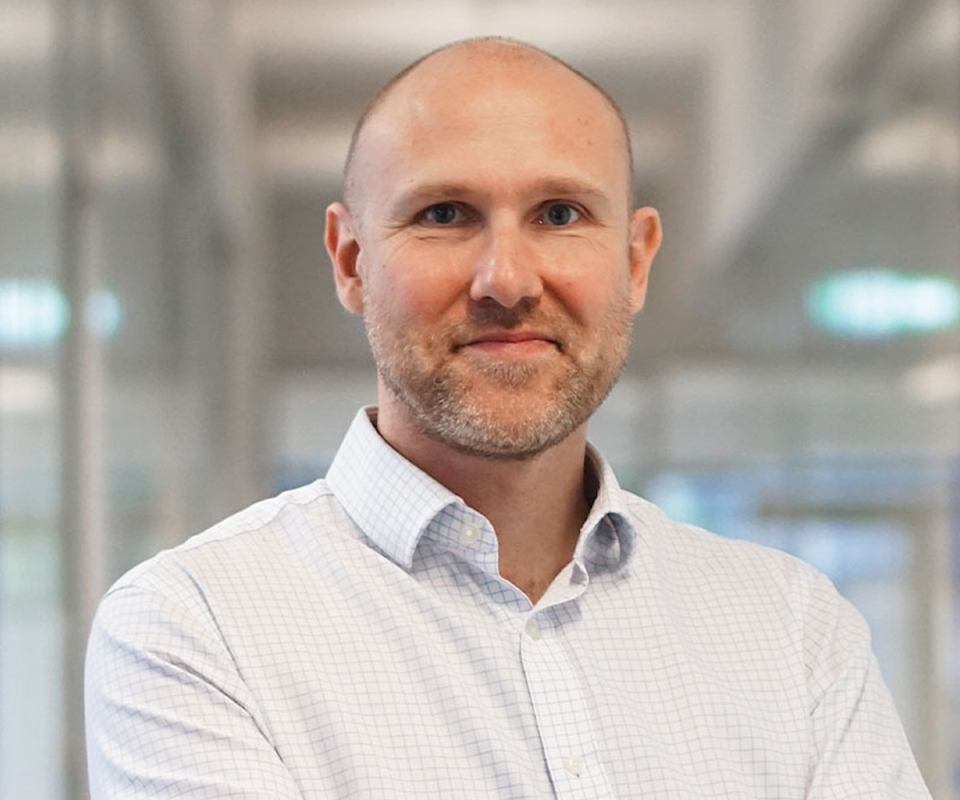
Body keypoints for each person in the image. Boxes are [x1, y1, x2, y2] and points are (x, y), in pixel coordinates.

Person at [85, 37, 931, 799]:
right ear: (351, 262)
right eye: (444, 215)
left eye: (560, 214)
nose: (507, 279)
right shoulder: (193, 629)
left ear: (635, 260)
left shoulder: (793, 629)